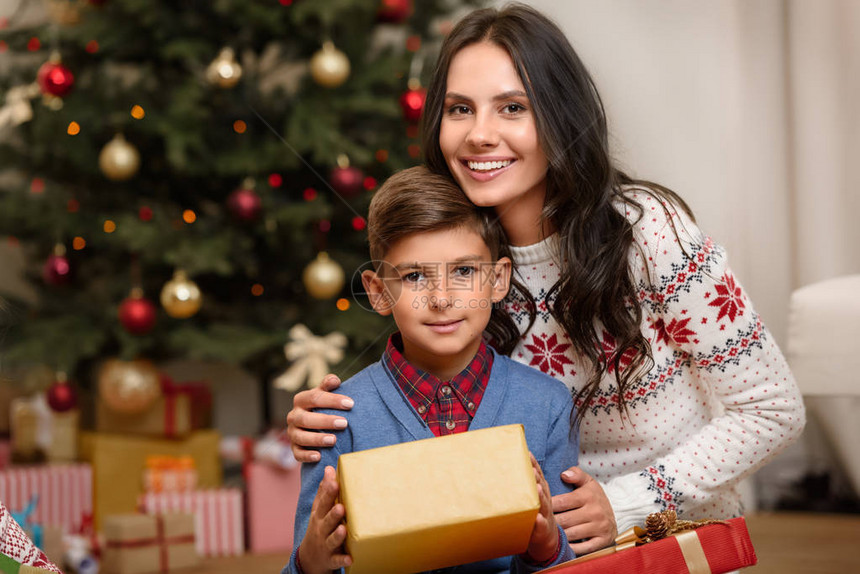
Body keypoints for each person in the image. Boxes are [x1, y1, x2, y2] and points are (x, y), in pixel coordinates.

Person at [287, 2, 806, 555]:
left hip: (669, 544)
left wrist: (626, 501)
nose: (479, 135)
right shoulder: (459, 257)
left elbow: (773, 409)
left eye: (512, 107)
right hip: (528, 555)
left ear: (559, 115)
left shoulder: (650, 230)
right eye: (459, 109)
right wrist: (332, 420)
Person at [284, 166, 578, 574]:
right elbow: (311, 560)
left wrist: (547, 548)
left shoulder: (548, 405)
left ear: (498, 279)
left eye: (463, 271)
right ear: (378, 291)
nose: (441, 298)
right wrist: (310, 563)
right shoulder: (337, 419)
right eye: (415, 276)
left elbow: (573, 563)